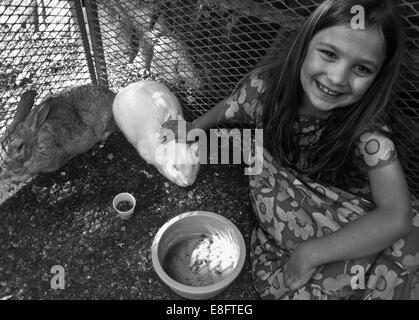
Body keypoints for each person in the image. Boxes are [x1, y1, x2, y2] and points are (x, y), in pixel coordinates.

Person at [162, 0, 419, 300]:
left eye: (361, 68)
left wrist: (312, 253)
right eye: (329, 54)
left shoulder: (369, 130)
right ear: (305, 45)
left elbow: (397, 215)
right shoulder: (263, 88)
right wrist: (194, 127)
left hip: (341, 218)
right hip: (289, 208)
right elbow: (232, 106)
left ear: (377, 77)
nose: (337, 78)